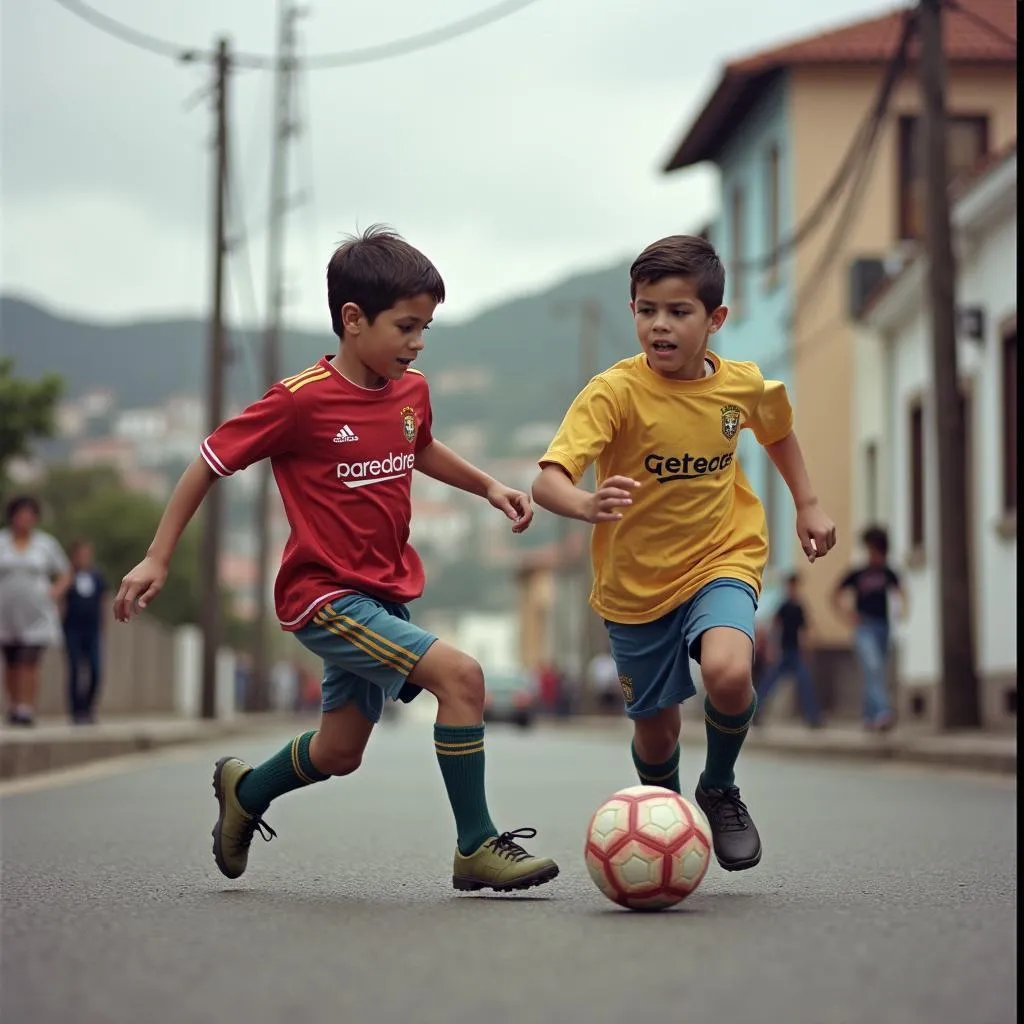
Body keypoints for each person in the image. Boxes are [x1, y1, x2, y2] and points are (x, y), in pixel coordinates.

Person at [113, 226, 558, 893]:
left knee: (339, 752)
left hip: (382, 596)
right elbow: (207, 463)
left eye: (426, 328)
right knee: (462, 677)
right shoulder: (299, 401)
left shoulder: (411, 393)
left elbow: (422, 446)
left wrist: (490, 485)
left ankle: (246, 791)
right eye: (406, 326)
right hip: (323, 596)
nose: (417, 342)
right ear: (353, 320)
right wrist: (157, 557)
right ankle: (475, 845)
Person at [531, 234, 836, 872]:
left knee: (727, 672)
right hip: (633, 587)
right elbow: (549, 478)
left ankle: (719, 786)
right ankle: (663, 813)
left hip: (721, 556)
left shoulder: (742, 386)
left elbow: (778, 432)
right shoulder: (613, 393)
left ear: (715, 319)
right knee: (657, 730)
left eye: (678, 311)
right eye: (646, 310)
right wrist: (584, 504)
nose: (659, 325)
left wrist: (807, 503)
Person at [0, 495, 72, 726]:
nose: (24, 519)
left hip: (36, 612)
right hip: (6, 612)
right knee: (11, 661)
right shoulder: (2, 541)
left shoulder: (45, 544)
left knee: (29, 660)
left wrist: (55, 592)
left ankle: (26, 707)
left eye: (29, 515)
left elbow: (65, 572)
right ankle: (13, 704)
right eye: (20, 514)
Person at [833, 525, 905, 732]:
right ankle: (883, 713)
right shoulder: (859, 573)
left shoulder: (887, 572)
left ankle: (869, 716)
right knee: (873, 667)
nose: (874, 555)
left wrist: (901, 610)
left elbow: (900, 591)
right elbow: (835, 594)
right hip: (864, 626)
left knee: (875, 672)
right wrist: (847, 615)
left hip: (883, 626)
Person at [755, 572, 823, 728]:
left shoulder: (799, 607)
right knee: (768, 683)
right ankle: (755, 713)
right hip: (782, 652)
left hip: (795, 652)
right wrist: (772, 649)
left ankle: (813, 717)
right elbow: (773, 626)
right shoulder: (783, 606)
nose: (793, 589)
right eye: (791, 586)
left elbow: (804, 630)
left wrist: (806, 649)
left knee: (805, 682)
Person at [63, 540, 107, 724]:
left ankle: (89, 707)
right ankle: (76, 711)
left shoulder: (97, 577)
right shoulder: (68, 576)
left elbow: (103, 601)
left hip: (93, 628)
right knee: (74, 668)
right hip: (72, 628)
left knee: (96, 669)